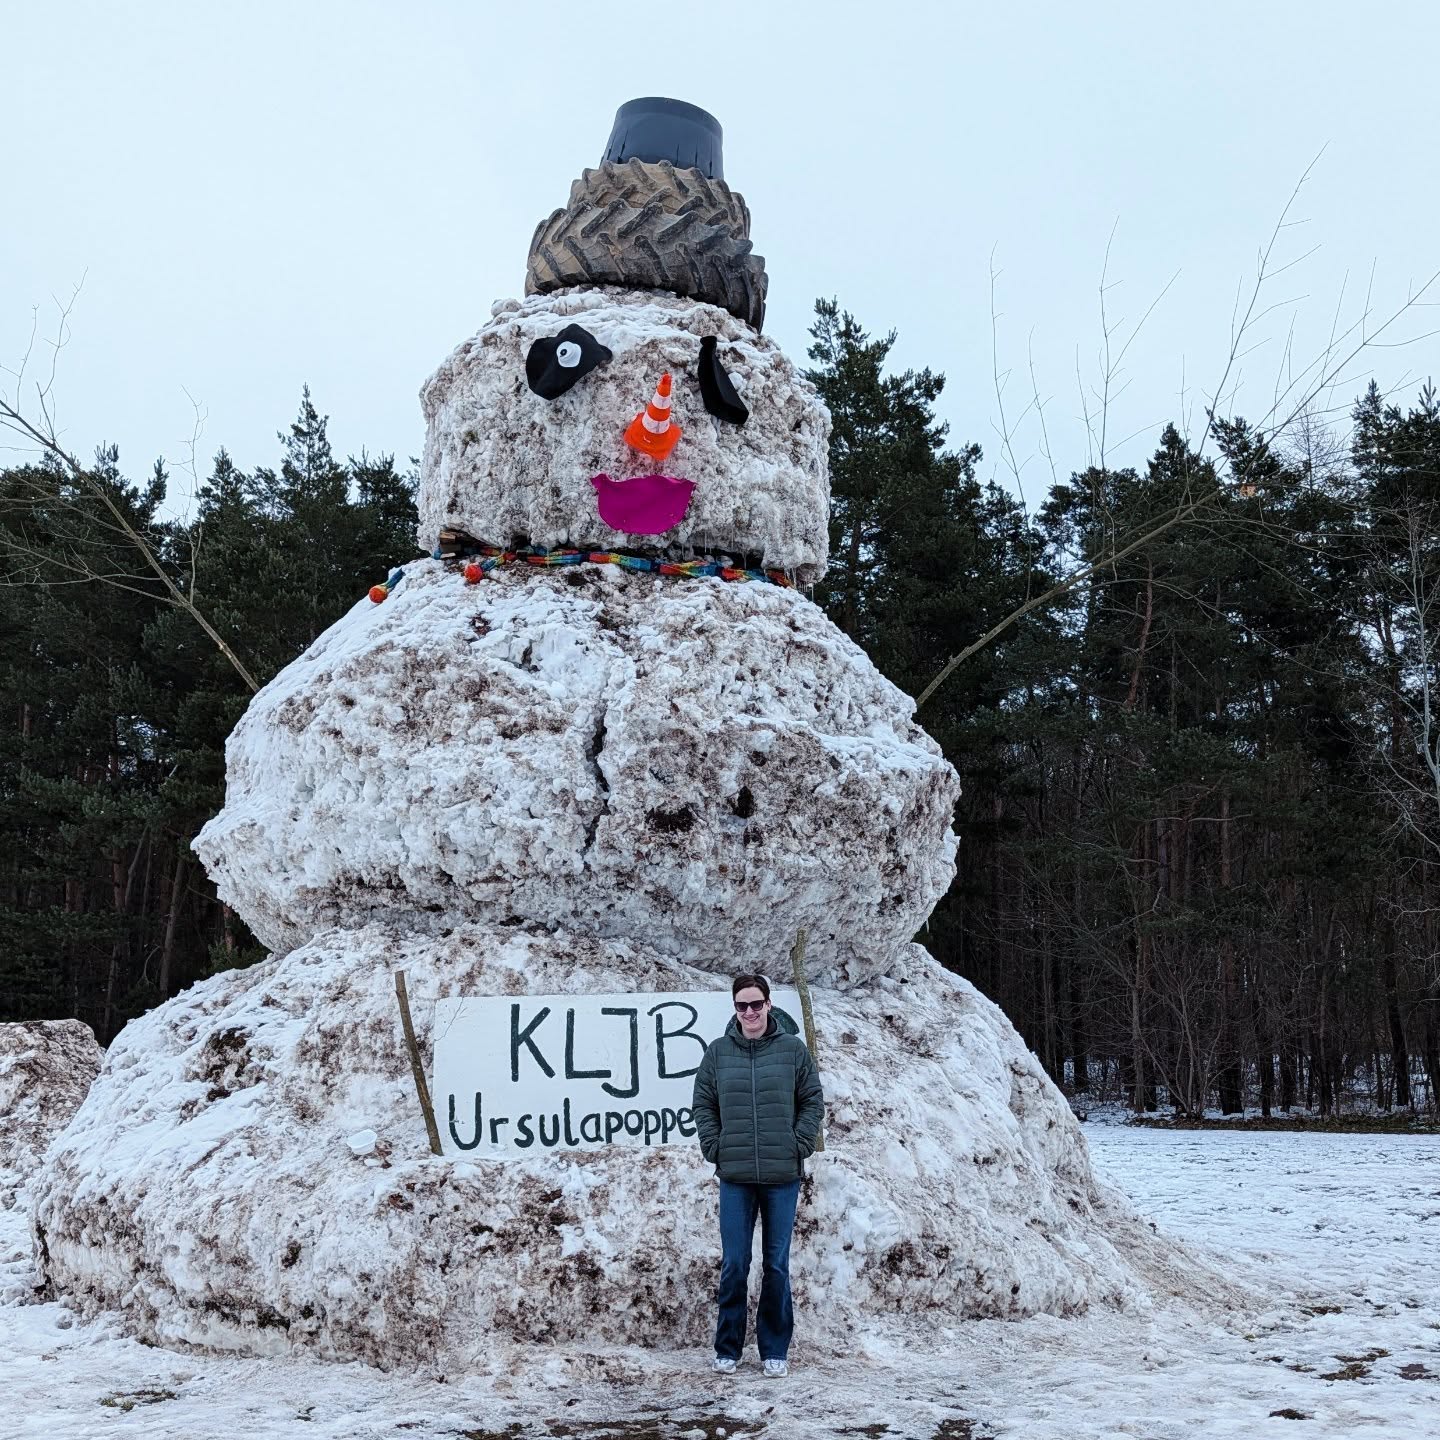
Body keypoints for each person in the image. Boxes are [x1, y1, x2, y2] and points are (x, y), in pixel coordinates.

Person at [691, 972, 825, 1378]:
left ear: (768, 1005)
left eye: (756, 1004)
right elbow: (703, 1103)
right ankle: (728, 1347)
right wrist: (714, 1146)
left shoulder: (792, 1050)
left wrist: (797, 1142)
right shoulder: (717, 1053)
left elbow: (812, 1100)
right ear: (735, 1009)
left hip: (782, 1176)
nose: (749, 1012)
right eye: (741, 1005)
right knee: (734, 1262)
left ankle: (773, 1348)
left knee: (777, 1264)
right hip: (735, 1176)